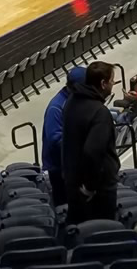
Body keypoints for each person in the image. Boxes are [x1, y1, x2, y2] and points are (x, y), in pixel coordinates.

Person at [61, 61, 118, 223]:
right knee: (100, 233)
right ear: (103, 83)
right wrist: (90, 187)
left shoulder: (71, 101)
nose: (113, 84)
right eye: (112, 81)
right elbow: (92, 152)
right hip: (96, 191)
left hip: (73, 182)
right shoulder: (100, 112)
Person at [42, 65, 87, 206]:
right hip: (59, 167)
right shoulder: (56, 107)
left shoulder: (75, 100)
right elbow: (55, 139)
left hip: (71, 164)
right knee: (64, 206)